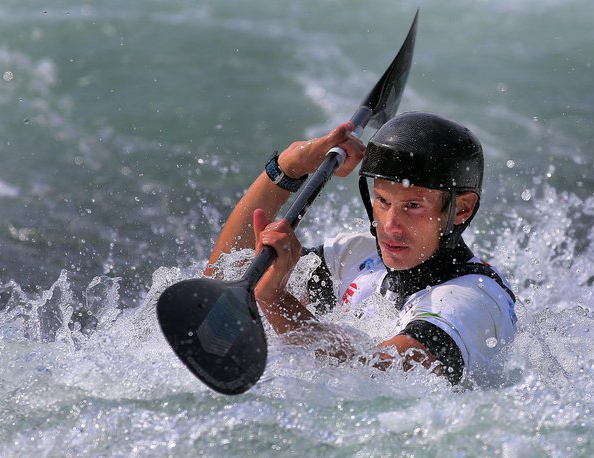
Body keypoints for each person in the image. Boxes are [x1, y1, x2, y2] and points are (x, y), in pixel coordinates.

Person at [204, 112, 517, 386]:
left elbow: (378, 376)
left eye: (412, 206)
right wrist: (290, 167)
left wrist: (273, 298)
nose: (390, 226)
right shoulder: (354, 255)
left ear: (462, 209)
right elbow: (221, 282)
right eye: (383, 201)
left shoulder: (474, 301)